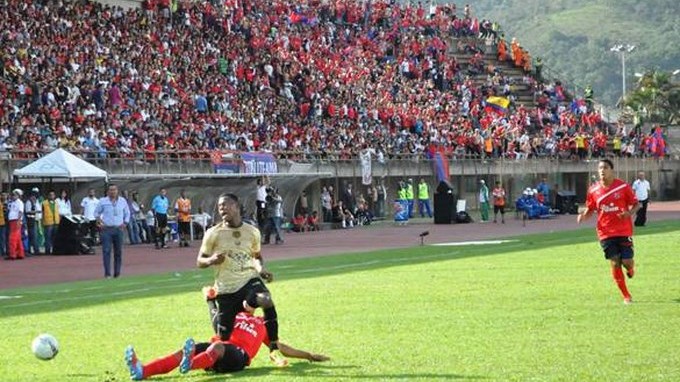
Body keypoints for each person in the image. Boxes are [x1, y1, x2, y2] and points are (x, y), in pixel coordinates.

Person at [196, 193, 288, 367]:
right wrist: (212, 260)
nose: (222, 209)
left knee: (265, 299)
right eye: (220, 206)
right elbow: (200, 261)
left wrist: (261, 270)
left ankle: (274, 346)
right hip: (226, 288)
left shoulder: (252, 231)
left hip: (249, 279)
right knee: (223, 336)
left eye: (226, 205)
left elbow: (257, 256)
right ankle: (209, 358)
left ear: (237, 207)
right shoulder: (213, 233)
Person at [124, 305, 329, 380]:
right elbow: (216, 319)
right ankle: (142, 371)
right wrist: (210, 300)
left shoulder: (263, 324)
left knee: (217, 347)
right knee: (191, 348)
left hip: (237, 356)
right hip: (216, 352)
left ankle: (190, 363)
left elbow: (281, 347)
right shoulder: (235, 315)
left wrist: (309, 355)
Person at [577, 159, 641, 304]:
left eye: (605, 167)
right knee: (615, 262)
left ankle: (630, 269)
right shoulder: (593, 190)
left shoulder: (623, 187)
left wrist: (629, 213)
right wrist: (583, 216)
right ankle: (626, 296)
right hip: (605, 232)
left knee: (627, 261)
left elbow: (637, 204)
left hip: (624, 230)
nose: (602, 171)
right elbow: (590, 209)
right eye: (600, 168)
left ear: (611, 170)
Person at [94, 184, 131, 279]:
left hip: (118, 229)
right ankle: (107, 273)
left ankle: (117, 273)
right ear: (108, 191)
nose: (112, 192)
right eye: (110, 190)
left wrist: (125, 223)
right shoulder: (103, 201)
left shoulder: (122, 201)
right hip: (107, 229)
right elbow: (96, 212)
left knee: (118, 252)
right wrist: (99, 221)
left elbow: (127, 213)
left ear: (117, 190)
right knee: (106, 251)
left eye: (114, 190)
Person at [7, 189, 25, 260]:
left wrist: (18, 220)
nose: (13, 196)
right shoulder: (12, 202)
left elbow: (20, 212)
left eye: (14, 195)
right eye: (13, 195)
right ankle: (20, 253)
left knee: (12, 238)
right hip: (12, 221)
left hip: (16, 221)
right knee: (18, 239)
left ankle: (12, 254)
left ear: (18, 195)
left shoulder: (19, 202)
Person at [41, 190, 60, 256]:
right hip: (48, 222)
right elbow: (42, 213)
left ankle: (55, 250)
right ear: (48, 196)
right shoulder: (44, 203)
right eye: (50, 195)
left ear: (54, 196)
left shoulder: (56, 203)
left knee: (55, 238)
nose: (52, 196)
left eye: (53, 195)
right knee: (48, 238)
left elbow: (57, 212)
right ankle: (47, 250)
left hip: (56, 222)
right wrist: (42, 222)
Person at [24, 189, 42, 256]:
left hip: (35, 219)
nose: (34, 197)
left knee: (34, 235)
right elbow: (28, 211)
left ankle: (34, 249)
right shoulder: (28, 202)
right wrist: (36, 212)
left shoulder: (35, 202)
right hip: (30, 220)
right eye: (33, 196)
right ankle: (34, 250)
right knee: (32, 235)